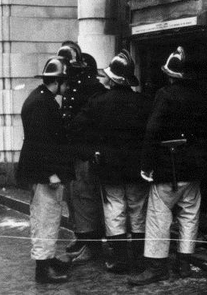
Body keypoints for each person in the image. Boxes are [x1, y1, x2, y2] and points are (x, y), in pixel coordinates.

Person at [129, 46, 207, 286]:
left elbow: (153, 130)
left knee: (158, 216)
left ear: (169, 74)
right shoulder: (200, 94)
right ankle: (185, 263)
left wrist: (146, 165)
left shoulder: (164, 95)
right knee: (189, 215)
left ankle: (157, 266)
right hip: (193, 168)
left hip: (168, 166)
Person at [69, 50, 151, 274]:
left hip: (109, 167)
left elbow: (76, 127)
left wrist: (92, 149)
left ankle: (120, 259)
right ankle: (140, 257)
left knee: (114, 210)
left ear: (112, 78)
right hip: (136, 167)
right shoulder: (143, 102)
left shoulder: (98, 102)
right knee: (137, 209)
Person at [15, 56, 74, 283]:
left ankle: (47, 259)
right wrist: (51, 172)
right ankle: (43, 270)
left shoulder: (41, 98)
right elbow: (40, 142)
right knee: (45, 218)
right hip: (44, 173)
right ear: (57, 81)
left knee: (48, 216)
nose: (67, 87)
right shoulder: (42, 103)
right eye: (65, 82)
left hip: (42, 171)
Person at [60, 47, 108, 264]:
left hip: (86, 151)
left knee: (86, 198)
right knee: (73, 197)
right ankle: (82, 237)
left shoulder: (93, 88)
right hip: (73, 150)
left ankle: (93, 245)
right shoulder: (72, 86)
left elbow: (93, 119)